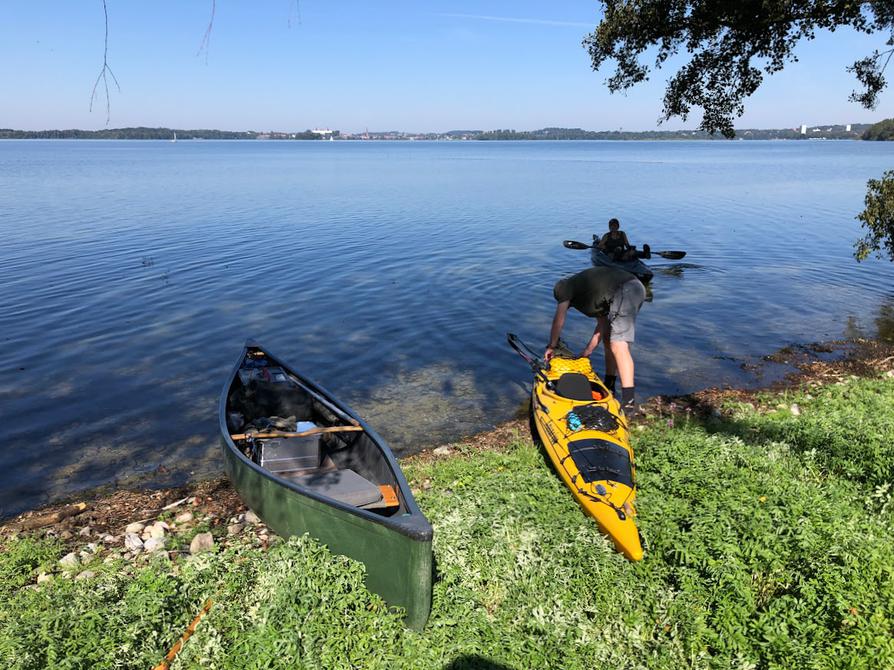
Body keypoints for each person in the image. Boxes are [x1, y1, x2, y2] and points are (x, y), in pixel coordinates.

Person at [544, 266, 646, 414]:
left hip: (625, 291)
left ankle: (629, 405)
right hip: (635, 288)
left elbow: (558, 320)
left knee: (619, 346)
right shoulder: (592, 292)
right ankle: (610, 384)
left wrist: (552, 346)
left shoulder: (565, 287)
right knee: (608, 339)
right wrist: (586, 352)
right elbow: (601, 326)